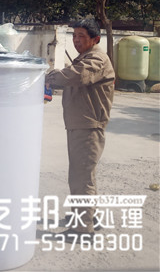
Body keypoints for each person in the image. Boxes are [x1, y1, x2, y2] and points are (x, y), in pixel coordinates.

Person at [45, 18, 115, 243]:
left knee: (81, 177)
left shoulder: (96, 59)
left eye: (81, 36)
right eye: (74, 36)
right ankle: (88, 217)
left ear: (95, 39)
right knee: (84, 175)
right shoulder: (84, 57)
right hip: (81, 124)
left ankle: (83, 230)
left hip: (88, 127)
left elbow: (77, 75)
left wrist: (48, 77)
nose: (76, 40)